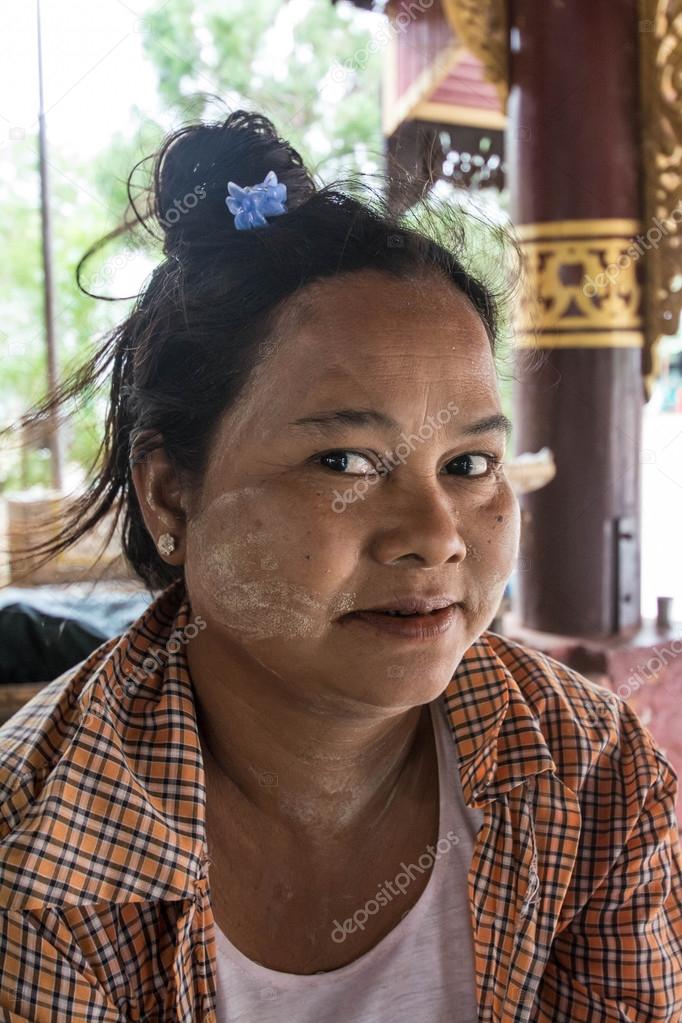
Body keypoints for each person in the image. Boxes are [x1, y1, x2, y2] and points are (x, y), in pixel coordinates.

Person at [1, 108, 681, 1023]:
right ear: (169, 496)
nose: (436, 534)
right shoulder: (35, 843)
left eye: (469, 465)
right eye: (346, 463)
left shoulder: (591, 774)